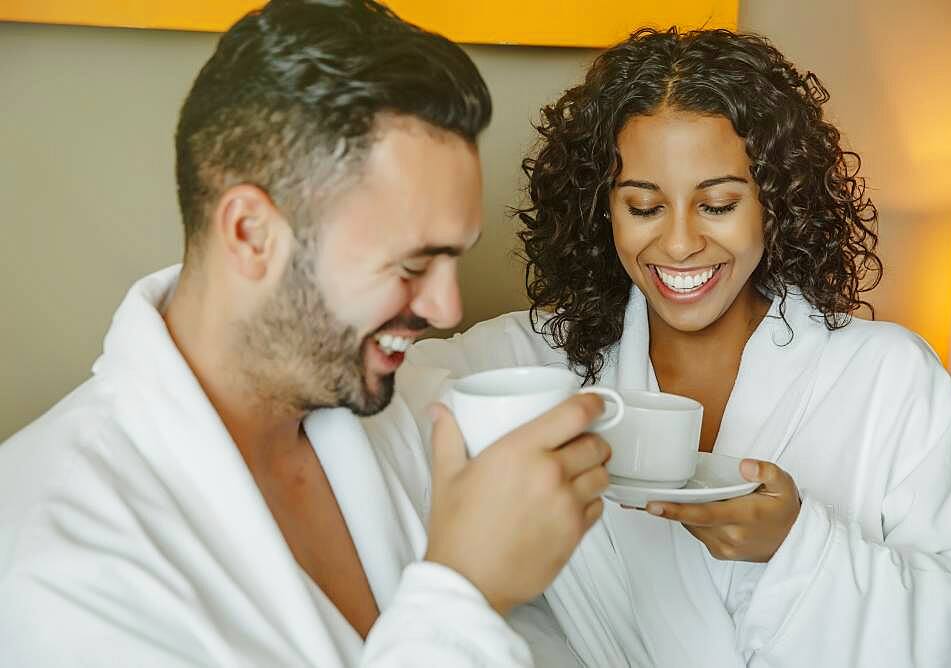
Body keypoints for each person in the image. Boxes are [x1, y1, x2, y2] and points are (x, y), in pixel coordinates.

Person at [0, 1, 611, 665]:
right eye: (412, 264)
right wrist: (463, 595)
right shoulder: (57, 566)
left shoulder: (404, 415)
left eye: (454, 259)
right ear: (251, 234)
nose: (445, 306)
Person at [387, 26, 951, 666]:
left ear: (775, 201)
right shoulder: (531, 365)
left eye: (717, 205)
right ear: (603, 210)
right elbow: (359, 404)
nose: (679, 245)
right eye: (644, 208)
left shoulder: (889, 377)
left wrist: (797, 548)